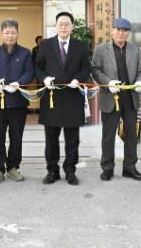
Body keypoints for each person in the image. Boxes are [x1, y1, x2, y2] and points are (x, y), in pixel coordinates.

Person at [34, 11, 91, 186]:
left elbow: (86, 68)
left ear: (72, 27)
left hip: (73, 98)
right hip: (52, 98)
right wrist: (44, 79)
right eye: (60, 24)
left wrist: (78, 79)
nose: (63, 27)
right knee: (51, 139)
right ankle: (52, 171)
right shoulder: (45, 45)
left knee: (72, 139)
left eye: (67, 24)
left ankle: (70, 171)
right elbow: (38, 67)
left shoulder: (81, 46)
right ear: (56, 26)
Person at [91, 17, 141, 181]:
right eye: (118, 30)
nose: (121, 33)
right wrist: (108, 82)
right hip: (110, 97)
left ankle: (130, 167)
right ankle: (107, 168)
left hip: (130, 98)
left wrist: (140, 81)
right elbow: (95, 70)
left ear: (128, 33)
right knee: (108, 135)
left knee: (131, 135)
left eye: (124, 31)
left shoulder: (134, 50)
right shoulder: (101, 49)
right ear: (112, 31)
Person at [0, 19, 34, 184]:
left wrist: (19, 83)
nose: (10, 36)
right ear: (2, 34)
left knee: (16, 137)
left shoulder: (25, 53)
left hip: (18, 102)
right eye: (7, 32)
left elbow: (30, 72)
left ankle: (13, 167)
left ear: (18, 34)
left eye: (13, 32)